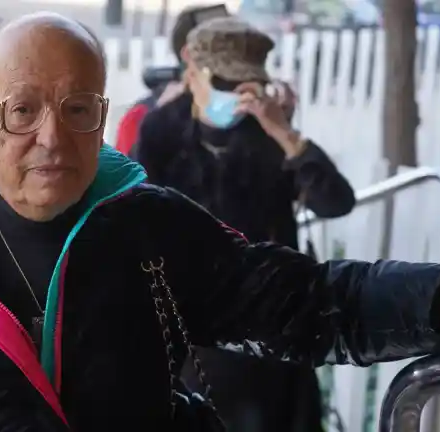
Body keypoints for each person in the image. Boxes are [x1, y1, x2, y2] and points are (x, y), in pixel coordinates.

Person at [0, 13, 440, 432]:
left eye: (77, 110)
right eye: (22, 110)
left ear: (102, 118)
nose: (52, 139)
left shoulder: (148, 228)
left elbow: (307, 301)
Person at [133, 16, 354, 432]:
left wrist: (287, 136)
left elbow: (335, 201)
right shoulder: (162, 131)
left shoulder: (268, 131)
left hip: (275, 323)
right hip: (196, 330)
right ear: (193, 73)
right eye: (224, 83)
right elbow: (133, 217)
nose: (236, 96)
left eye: (245, 85)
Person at [116, 4, 228, 155]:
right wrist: (158, 124)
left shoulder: (245, 110)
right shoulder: (140, 116)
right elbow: (126, 169)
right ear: (189, 55)